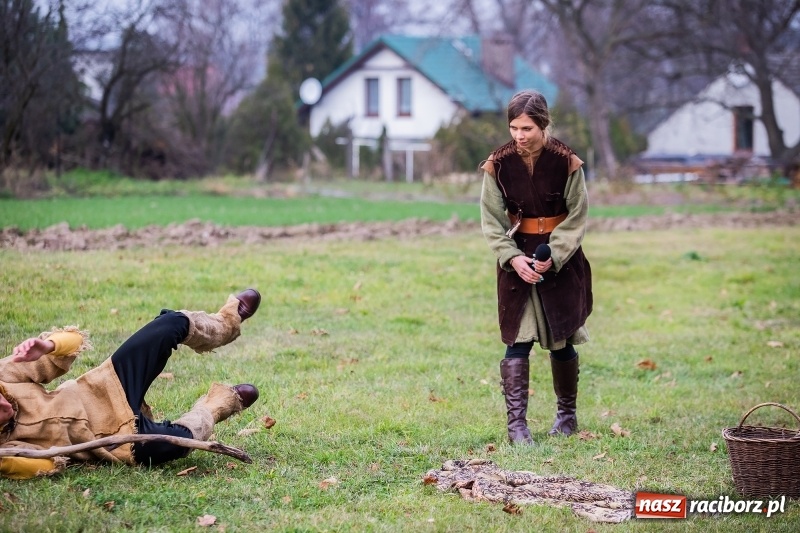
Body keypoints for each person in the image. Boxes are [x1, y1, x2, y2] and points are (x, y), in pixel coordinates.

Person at [0, 289, 262, 479]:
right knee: (179, 442)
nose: (2, 405)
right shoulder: (7, 449)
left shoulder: (5, 375)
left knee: (170, 324)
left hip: (106, 387)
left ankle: (226, 322)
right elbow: (46, 466)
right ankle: (218, 404)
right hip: (116, 442)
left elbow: (74, 342)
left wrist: (49, 345)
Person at [480, 90, 592, 445]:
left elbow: (577, 216)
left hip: (558, 261)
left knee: (560, 340)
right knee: (518, 341)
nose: (519, 135)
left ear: (543, 125)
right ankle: (517, 428)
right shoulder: (497, 164)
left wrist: (554, 254)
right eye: (513, 127)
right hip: (516, 263)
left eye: (526, 127)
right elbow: (491, 220)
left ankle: (567, 417)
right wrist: (512, 257)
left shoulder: (567, 162)